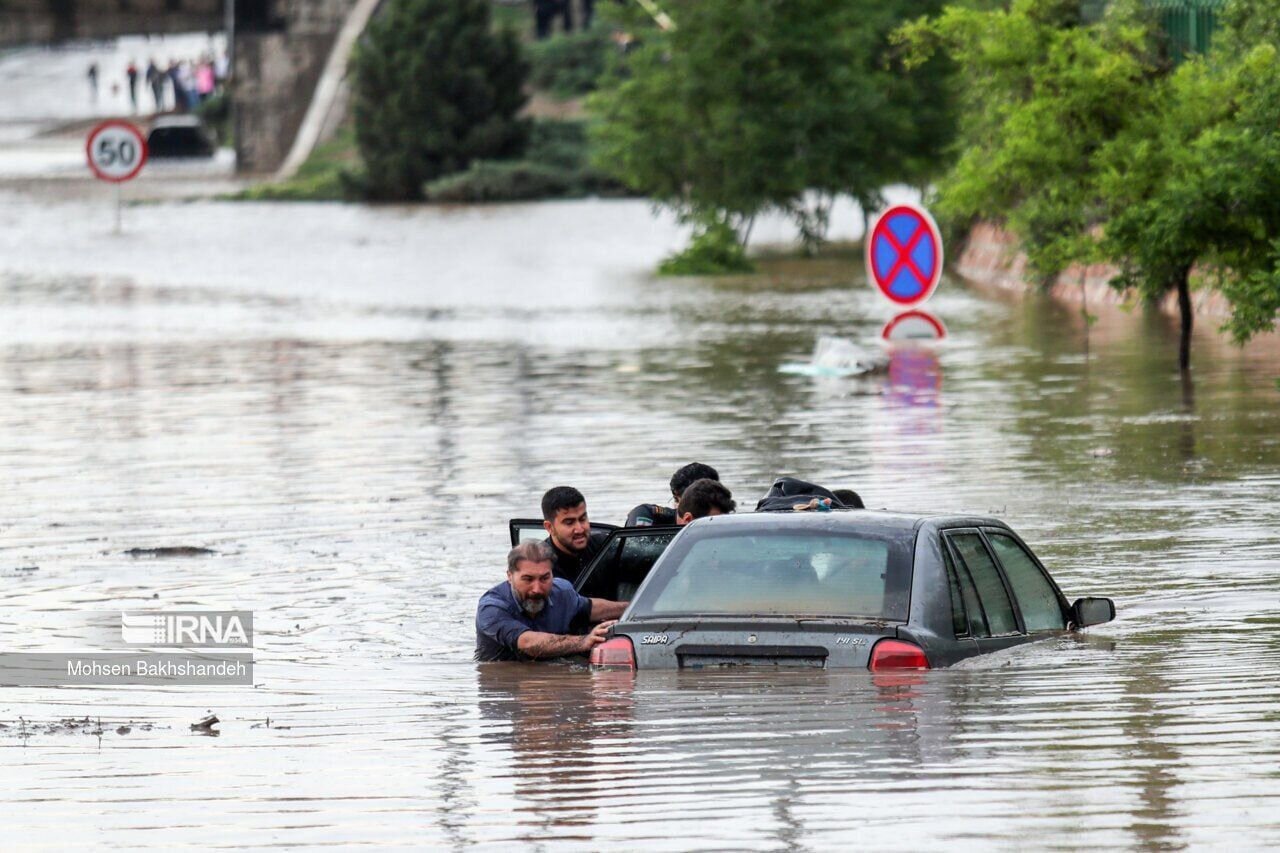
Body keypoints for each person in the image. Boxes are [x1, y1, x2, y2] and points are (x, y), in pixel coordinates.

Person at [475, 541, 628, 662]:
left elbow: (592, 608)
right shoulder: (491, 607)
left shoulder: (562, 591)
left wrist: (635, 607)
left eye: (544, 578)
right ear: (510, 576)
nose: (537, 589)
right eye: (528, 579)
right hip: (505, 690)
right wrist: (584, 641)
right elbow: (527, 643)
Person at [541, 486, 610, 583]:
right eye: (569, 523)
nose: (580, 529)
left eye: (582, 519)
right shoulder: (539, 566)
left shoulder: (605, 545)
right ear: (549, 527)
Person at [624, 461, 720, 527]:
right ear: (677, 500)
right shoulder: (648, 514)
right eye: (700, 502)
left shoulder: (726, 521)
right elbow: (633, 548)